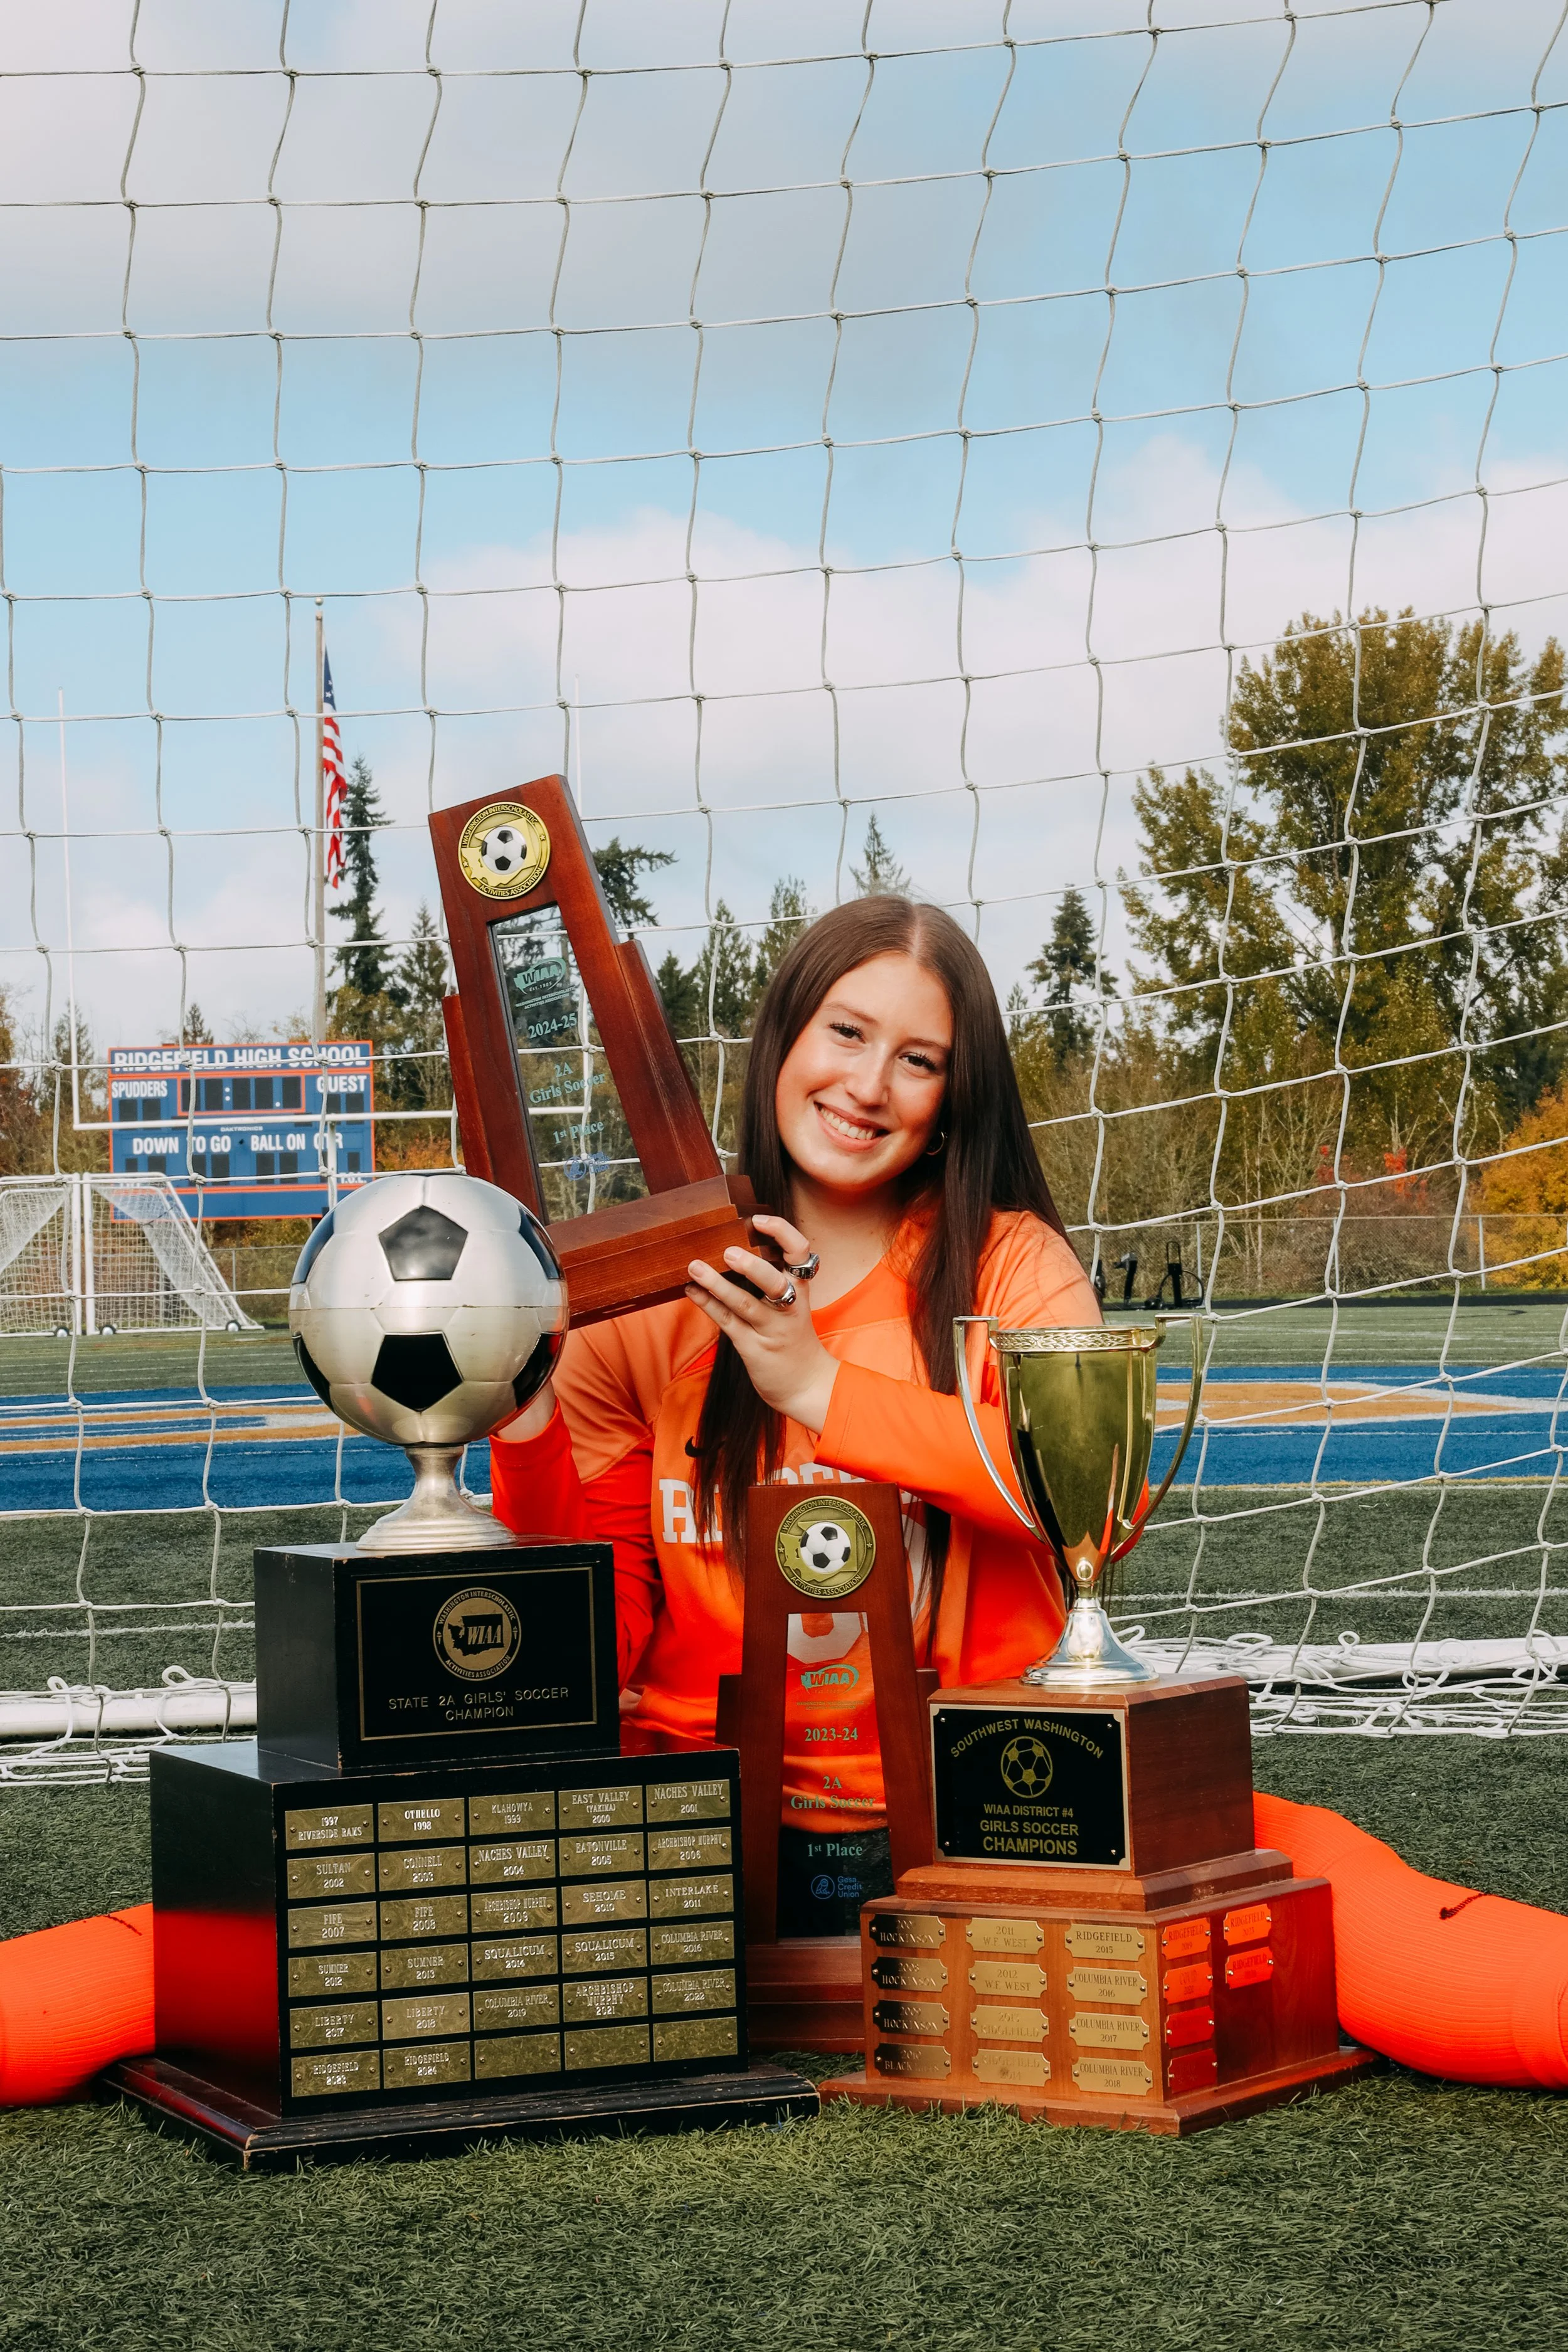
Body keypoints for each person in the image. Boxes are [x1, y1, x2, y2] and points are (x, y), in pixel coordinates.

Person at [490, 894, 1098, 1932]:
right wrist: (522, 1411)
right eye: (847, 1032)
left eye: (919, 1059)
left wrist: (816, 1386)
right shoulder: (645, 1291)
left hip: (980, 1810)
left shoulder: (1013, 1265)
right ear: (783, 1038)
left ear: (954, 1097)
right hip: (697, 1824)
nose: (867, 1086)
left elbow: (1095, 1508)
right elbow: (596, 1631)